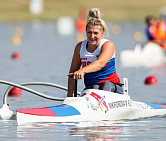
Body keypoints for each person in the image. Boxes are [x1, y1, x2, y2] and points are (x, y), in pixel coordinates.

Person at [67, 8, 123, 97]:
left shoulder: (108, 45)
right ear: (85, 32)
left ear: (102, 33)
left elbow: (100, 64)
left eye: (96, 33)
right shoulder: (79, 47)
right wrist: (69, 99)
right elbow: (72, 74)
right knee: (93, 88)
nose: (92, 36)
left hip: (113, 88)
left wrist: (82, 70)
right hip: (93, 88)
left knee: (106, 85)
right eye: (89, 32)